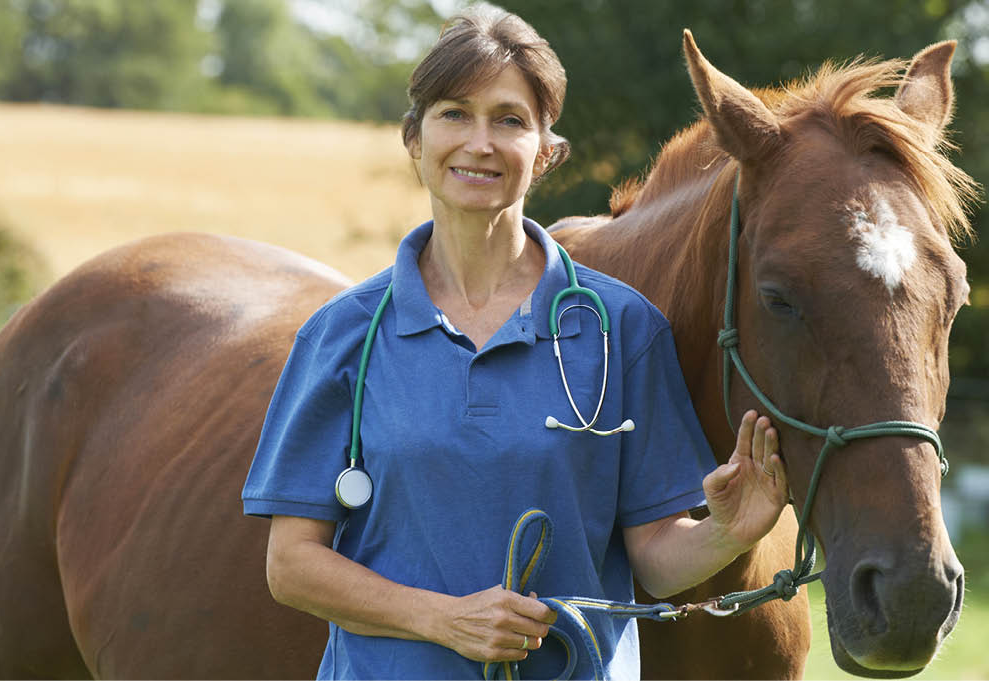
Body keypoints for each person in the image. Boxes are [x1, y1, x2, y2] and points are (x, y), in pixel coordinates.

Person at [242, 4, 788, 679]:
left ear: (546, 152)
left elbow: (653, 553)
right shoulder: (342, 335)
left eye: (508, 120)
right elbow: (291, 563)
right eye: (453, 113)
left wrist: (728, 531)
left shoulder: (623, 329)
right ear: (413, 139)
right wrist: (440, 618)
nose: (480, 143)